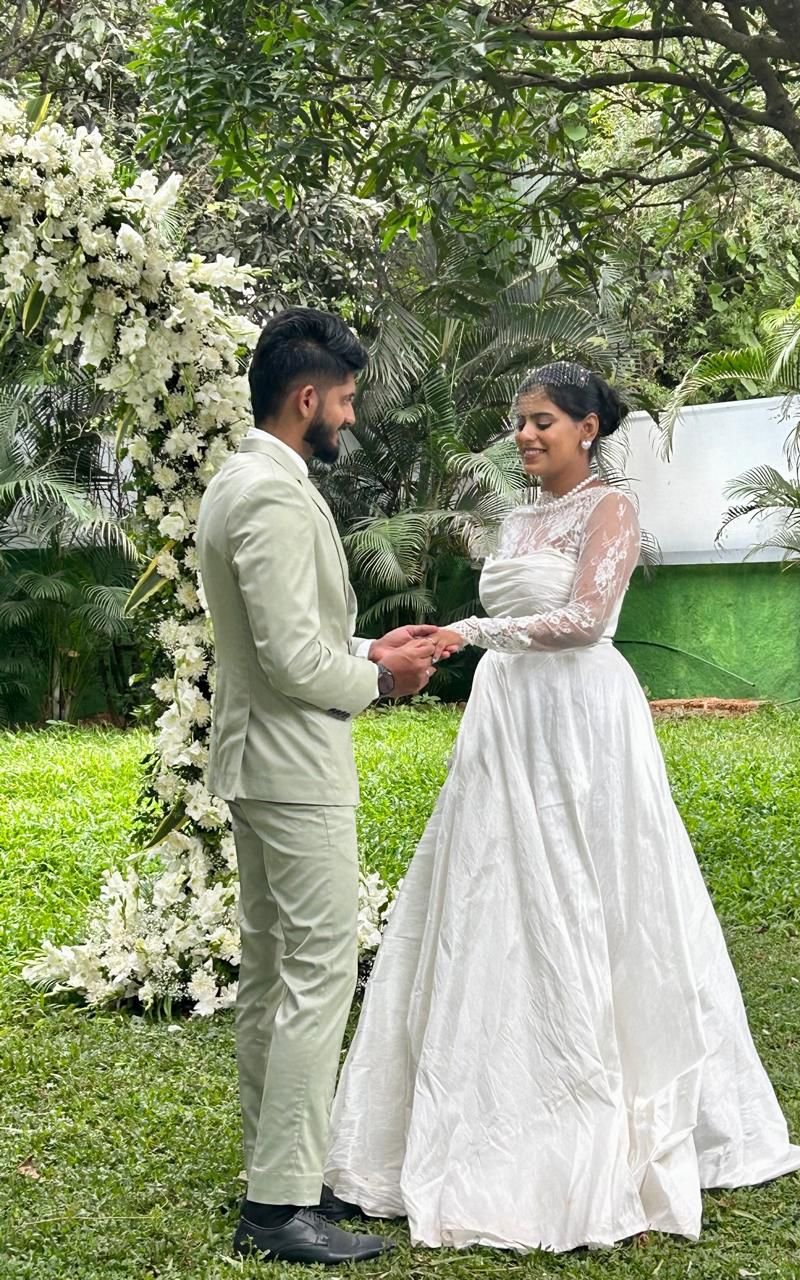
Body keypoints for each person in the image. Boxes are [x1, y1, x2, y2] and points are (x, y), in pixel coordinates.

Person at [323, 360, 800, 1252]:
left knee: (591, 888)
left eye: (543, 421)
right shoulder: (517, 518)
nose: (525, 436)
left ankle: (607, 1102)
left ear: (588, 428)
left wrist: (472, 632)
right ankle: (486, 1101)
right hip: (508, 717)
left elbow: (588, 620)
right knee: (492, 890)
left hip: (581, 716)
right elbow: (517, 610)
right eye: (519, 421)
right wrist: (454, 637)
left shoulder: (612, 510)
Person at [196, 307, 443, 1266]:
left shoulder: (244, 479)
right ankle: (281, 1208)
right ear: (307, 399)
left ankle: (276, 1177)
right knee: (314, 975)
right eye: (344, 400)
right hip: (294, 770)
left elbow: (291, 641)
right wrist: (381, 679)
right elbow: (294, 660)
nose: (350, 417)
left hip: (262, 760)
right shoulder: (270, 495)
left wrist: (364, 649)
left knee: (271, 976)